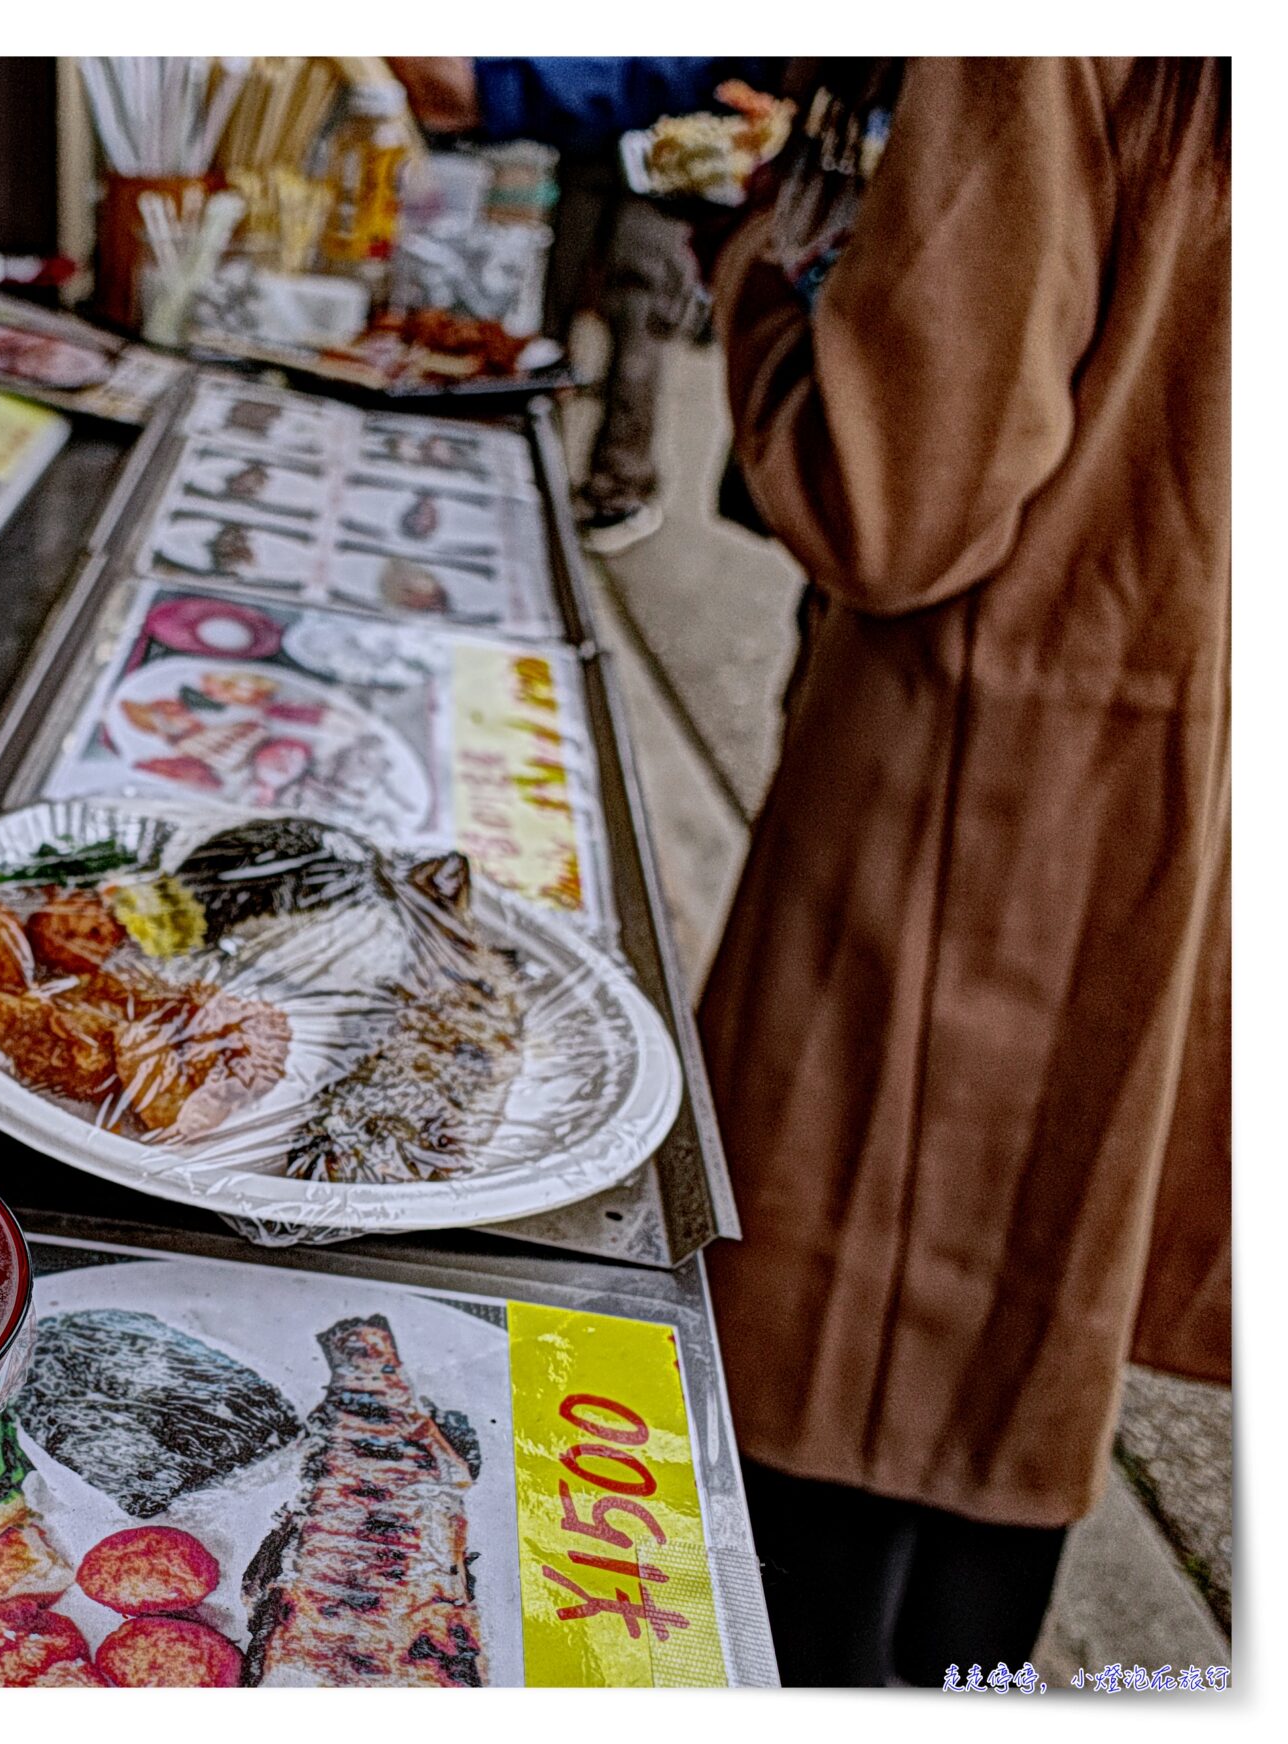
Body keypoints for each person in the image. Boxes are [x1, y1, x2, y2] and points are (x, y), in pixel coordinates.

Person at [689, 58, 1230, 1686]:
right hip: (1170, 785)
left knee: (837, 1367)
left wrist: (775, 270)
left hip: (967, 791)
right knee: (1021, 1349)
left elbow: (893, 494)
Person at [390, 57, 775, 553]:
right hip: (591, 130)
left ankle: (618, 486)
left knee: (639, 316)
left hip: (667, 141)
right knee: (553, 305)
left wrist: (499, 85)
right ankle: (526, 459)